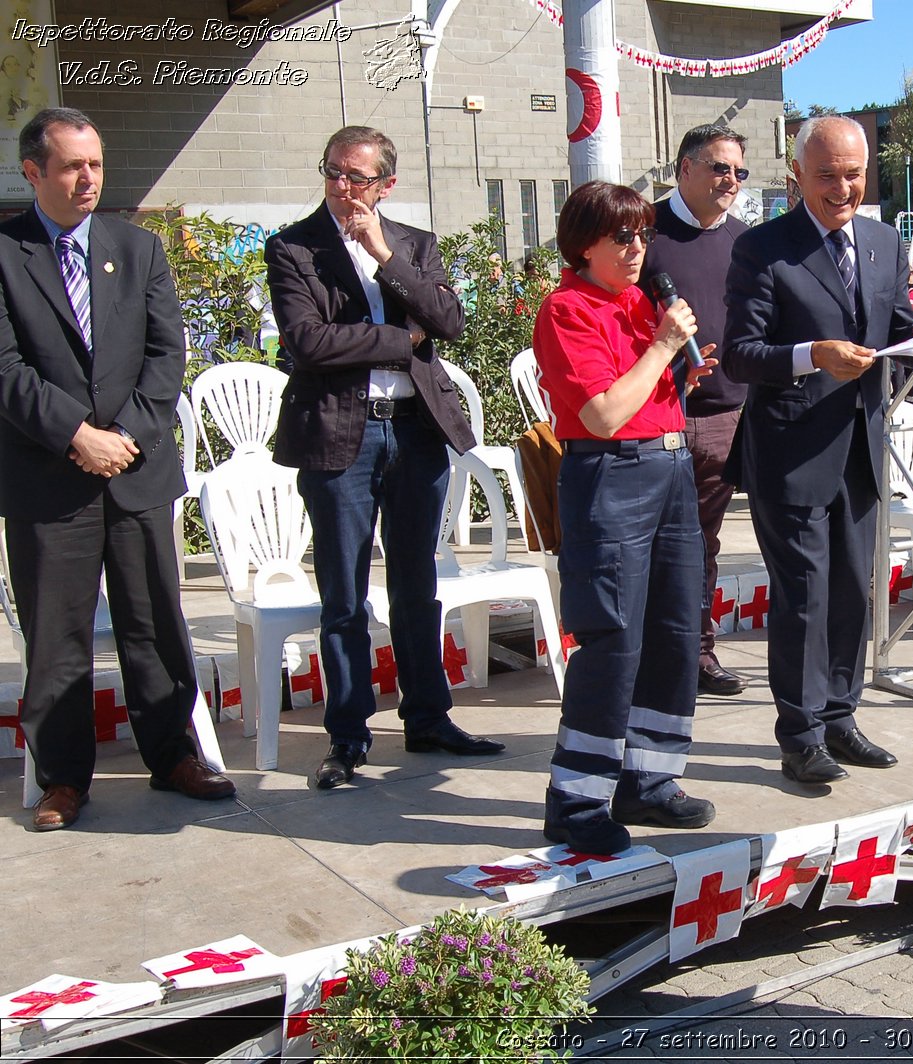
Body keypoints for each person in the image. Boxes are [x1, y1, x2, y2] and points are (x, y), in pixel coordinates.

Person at [0, 107, 235, 830]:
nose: (89, 179)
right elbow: (5, 368)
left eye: (96, 164)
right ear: (34, 171)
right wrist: (76, 434)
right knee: (57, 634)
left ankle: (174, 756)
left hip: (133, 472)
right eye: (72, 166)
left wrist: (122, 436)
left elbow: (167, 357)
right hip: (49, 478)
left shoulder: (138, 249)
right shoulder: (5, 253)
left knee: (154, 622)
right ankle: (64, 779)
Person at [266, 125, 504, 790]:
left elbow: (450, 323)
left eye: (358, 178)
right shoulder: (293, 247)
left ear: (385, 185)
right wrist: (402, 340)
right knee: (343, 593)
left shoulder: (413, 245)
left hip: (415, 433)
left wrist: (382, 256)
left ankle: (427, 718)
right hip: (340, 435)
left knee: (414, 586)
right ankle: (347, 736)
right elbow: (308, 343)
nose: (344, 188)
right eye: (334, 172)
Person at [722, 115, 913, 785]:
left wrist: (912, 355)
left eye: (854, 174)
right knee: (804, 597)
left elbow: (900, 332)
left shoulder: (881, 240)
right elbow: (739, 355)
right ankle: (800, 733)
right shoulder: (762, 249)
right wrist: (810, 356)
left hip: (861, 448)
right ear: (797, 176)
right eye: (827, 176)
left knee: (852, 591)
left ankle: (841, 717)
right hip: (790, 452)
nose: (843, 188)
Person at [534, 181, 717, 855]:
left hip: (669, 467)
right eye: (622, 237)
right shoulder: (567, 309)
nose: (638, 248)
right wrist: (665, 351)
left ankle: (650, 778)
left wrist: (679, 372)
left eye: (643, 234)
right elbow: (603, 415)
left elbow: (640, 390)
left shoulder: (642, 301)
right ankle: (578, 801)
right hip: (612, 476)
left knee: (674, 628)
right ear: (586, 242)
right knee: (612, 638)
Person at [641, 124, 751, 697]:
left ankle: (696, 654)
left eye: (738, 171)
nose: (730, 181)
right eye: (718, 168)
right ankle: (653, 656)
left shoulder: (743, 239)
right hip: (664, 417)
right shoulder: (644, 236)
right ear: (684, 169)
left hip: (733, 416)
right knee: (661, 543)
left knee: (702, 544)